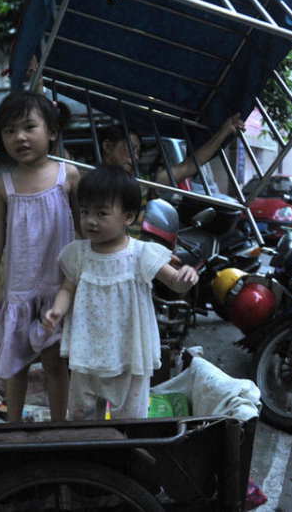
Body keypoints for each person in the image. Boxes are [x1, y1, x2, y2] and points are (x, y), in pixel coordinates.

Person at [43, 165, 199, 420]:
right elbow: (67, 288)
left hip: (130, 353)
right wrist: (56, 311)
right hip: (87, 349)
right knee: (82, 416)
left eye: (101, 213)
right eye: (85, 212)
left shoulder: (141, 253)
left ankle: (125, 454)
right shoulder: (78, 253)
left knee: (130, 419)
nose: (90, 220)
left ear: (128, 217)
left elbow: (176, 284)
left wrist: (188, 276)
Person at [0, 90, 80, 422]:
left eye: (29, 127)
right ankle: (14, 428)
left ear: (52, 132)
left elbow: (85, 232)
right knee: (14, 365)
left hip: (58, 288)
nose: (20, 137)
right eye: (9, 130)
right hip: (18, 290)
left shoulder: (68, 176)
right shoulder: (2, 186)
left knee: (55, 364)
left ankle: (60, 426)